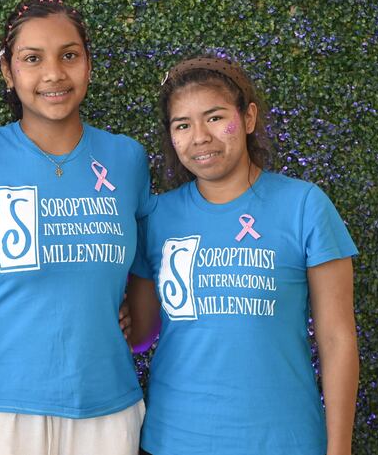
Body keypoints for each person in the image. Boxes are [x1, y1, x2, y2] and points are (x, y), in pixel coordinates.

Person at [0, 0, 153, 455]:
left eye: (69, 55)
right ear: (8, 71)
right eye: (32, 59)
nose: (54, 73)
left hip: (106, 404)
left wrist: (129, 318)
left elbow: (145, 263)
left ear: (88, 64)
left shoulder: (126, 158)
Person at [127, 56, 359, 455]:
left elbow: (337, 339)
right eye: (182, 125)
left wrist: (339, 449)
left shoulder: (304, 205)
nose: (200, 137)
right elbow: (143, 335)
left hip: (284, 441)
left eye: (215, 118)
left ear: (248, 118)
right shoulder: (156, 217)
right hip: (174, 440)